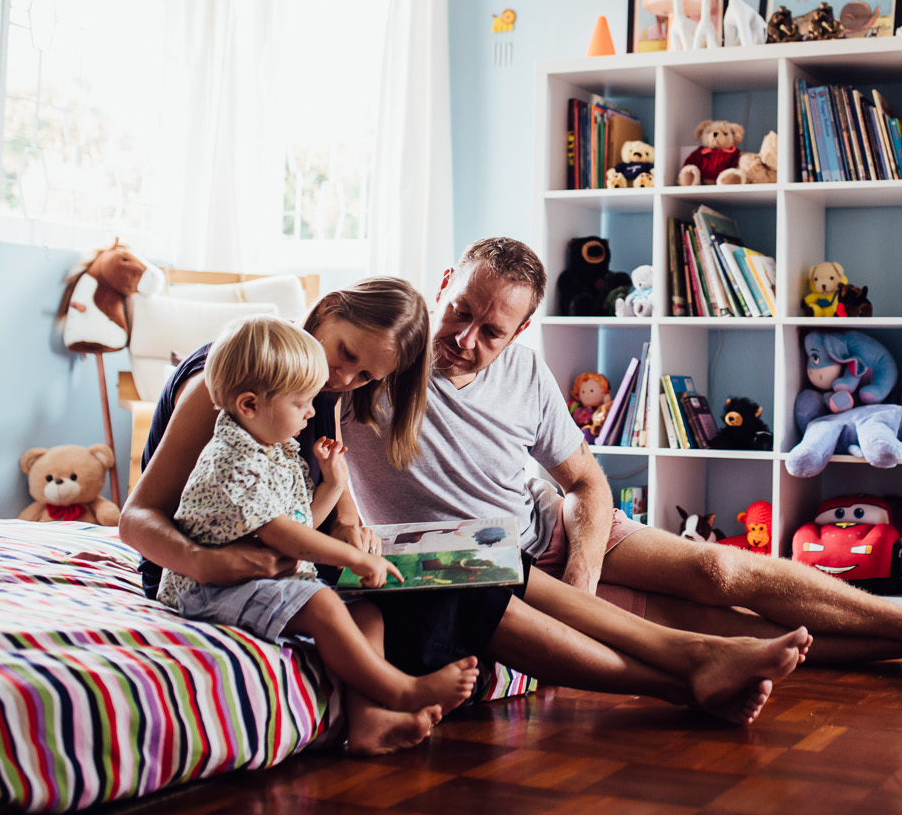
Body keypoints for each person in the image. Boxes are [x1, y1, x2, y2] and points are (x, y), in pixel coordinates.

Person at [122, 276, 811, 755]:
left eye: (365, 378)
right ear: (326, 309)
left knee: (476, 552)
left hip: (285, 564)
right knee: (458, 574)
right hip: (205, 572)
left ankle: (690, 661)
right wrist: (210, 561)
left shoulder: (322, 393)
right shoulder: (235, 376)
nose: (344, 380)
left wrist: (358, 531)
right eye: (345, 356)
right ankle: (683, 674)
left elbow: (330, 512)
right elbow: (137, 519)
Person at [343, 238, 902, 671]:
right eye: (460, 311)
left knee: (721, 568)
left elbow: (584, 480)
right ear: (442, 284)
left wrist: (584, 559)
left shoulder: (523, 372)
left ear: (522, 328)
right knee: (718, 628)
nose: (465, 339)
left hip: (557, 532)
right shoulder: (369, 365)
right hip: (495, 569)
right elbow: (275, 374)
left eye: (491, 330)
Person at [156, 313, 481, 743]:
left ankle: (367, 720)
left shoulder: (272, 447)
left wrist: (333, 485)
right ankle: (403, 690)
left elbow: (297, 520)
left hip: (261, 577)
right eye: (301, 403)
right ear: (250, 405)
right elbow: (281, 535)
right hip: (211, 588)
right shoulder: (232, 457)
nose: (314, 411)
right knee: (326, 607)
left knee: (366, 612)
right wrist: (351, 556)